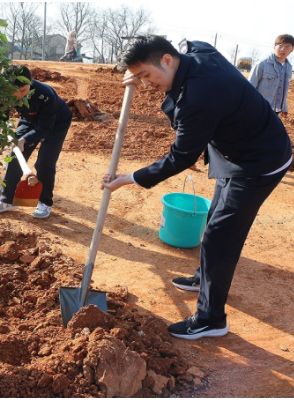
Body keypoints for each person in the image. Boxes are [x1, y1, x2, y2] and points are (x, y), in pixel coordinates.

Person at [101, 36, 292, 340]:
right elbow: (188, 44)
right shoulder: (194, 51)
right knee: (215, 216)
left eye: (147, 76)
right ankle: (203, 278)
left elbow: (181, 157)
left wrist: (130, 178)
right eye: (140, 78)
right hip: (235, 148)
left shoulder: (198, 98)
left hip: (260, 161)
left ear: (166, 60)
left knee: (221, 235)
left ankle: (211, 319)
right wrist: (138, 72)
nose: (147, 84)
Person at [0, 65, 72, 219]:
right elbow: (2, 116)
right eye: (15, 91)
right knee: (15, 155)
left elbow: (45, 127)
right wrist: (8, 132)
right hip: (29, 119)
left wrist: (25, 140)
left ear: (30, 83)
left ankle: (45, 202)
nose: (19, 95)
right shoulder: (3, 92)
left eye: (24, 90)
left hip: (56, 122)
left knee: (45, 161)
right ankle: (7, 200)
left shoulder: (45, 95)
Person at [248, 34, 293, 118]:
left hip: (276, 111)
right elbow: (250, 87)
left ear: (292, 49)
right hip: (260, 108)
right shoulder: (262, 64)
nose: (283, 49)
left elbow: (283, 89)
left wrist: (284, 107)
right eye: (280, 46)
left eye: (287, 46)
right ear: (274, 47)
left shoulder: (289, 68)